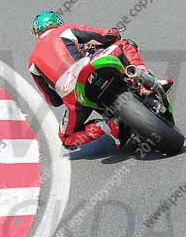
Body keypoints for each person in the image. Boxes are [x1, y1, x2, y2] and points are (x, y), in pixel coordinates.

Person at [28, 10, 173, 149]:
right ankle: (144, 82)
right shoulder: (64, 30)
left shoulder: (32, 63)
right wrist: (114, 33)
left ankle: (105, 126)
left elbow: (54, 100)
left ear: (36, 32)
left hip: (74, 98)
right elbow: (105, 35)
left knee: (66, 138)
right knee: (125, 45)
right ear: (58, 22)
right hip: (90, 71)